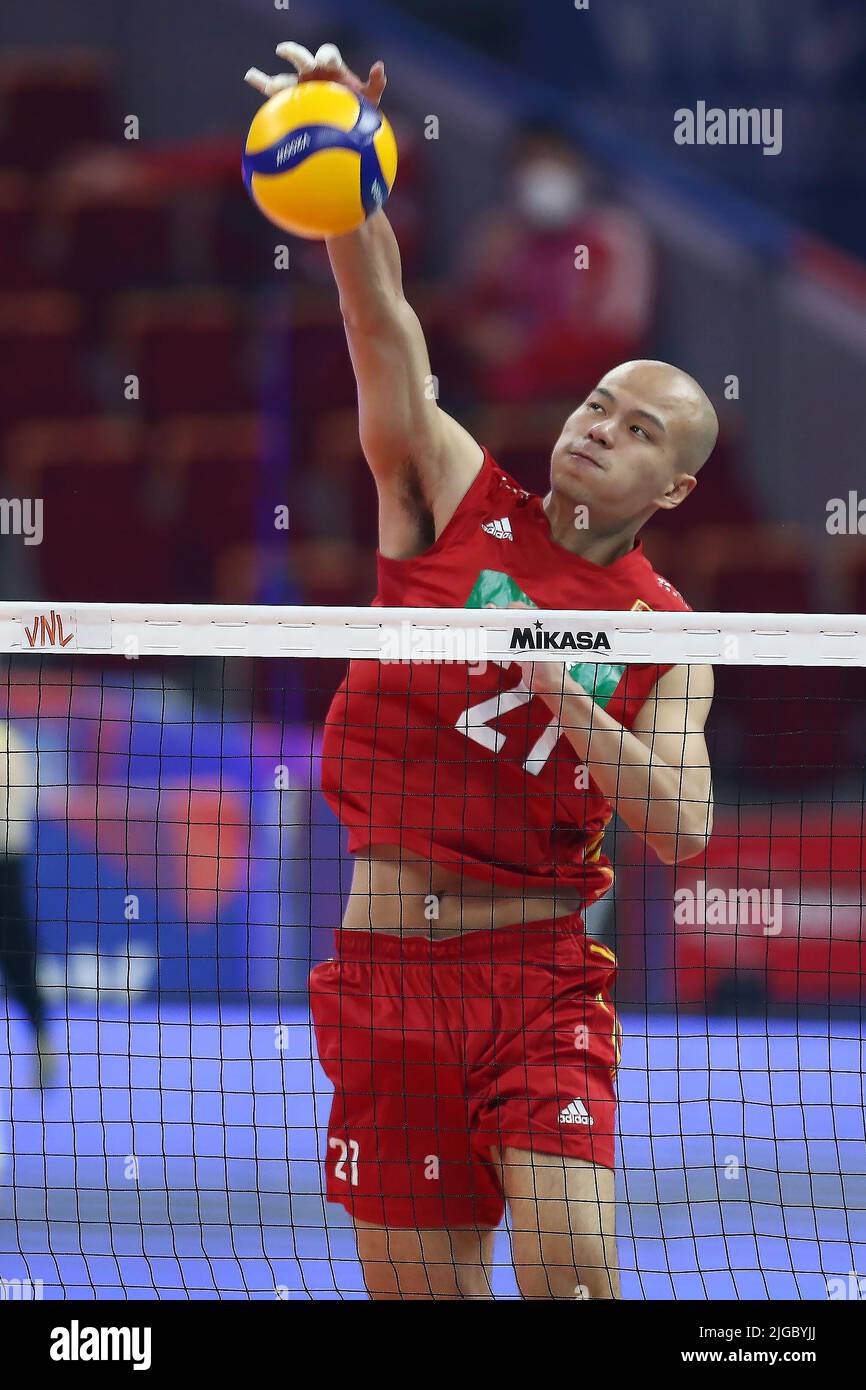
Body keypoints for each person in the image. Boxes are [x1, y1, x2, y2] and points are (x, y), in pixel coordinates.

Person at [246, 42, 716, 1301]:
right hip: (383, 979)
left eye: (636, 431)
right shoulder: (451, 499)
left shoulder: (662, 628)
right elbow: (379, 324)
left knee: (570, 1281)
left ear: (667, 490)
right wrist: (350, 183)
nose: (597, 427)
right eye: (598, 404)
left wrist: (573, 696)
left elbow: (679, 822)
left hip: (534, 980)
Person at [454, 120, 654, 404]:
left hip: (579, 397)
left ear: (578, 166)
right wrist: (486, 273)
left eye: (553, 159)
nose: (543, 173)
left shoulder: (615, 237)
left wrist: (527, 349)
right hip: (496, 392)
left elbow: (617, 335)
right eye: (531, 162)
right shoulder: (507, 235)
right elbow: (469, 318)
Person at [0, 720, 54, 1087]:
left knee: (18, 956)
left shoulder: (8, 741)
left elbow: (16, 816)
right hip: (10, 864)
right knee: (19, 954)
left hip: (5, 863)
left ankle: (41, 1038)